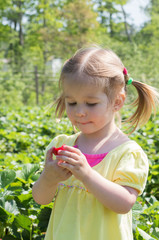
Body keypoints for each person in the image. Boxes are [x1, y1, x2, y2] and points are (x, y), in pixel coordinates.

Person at [32, 46, 159, 240]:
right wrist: (49, 177)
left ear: (117, 102)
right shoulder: (62, 145)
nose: (79, 112)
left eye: (91, 104)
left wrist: (87, 174)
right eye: (72, 103)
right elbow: (41, 199)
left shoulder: (127, 153)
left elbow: (124, 204)